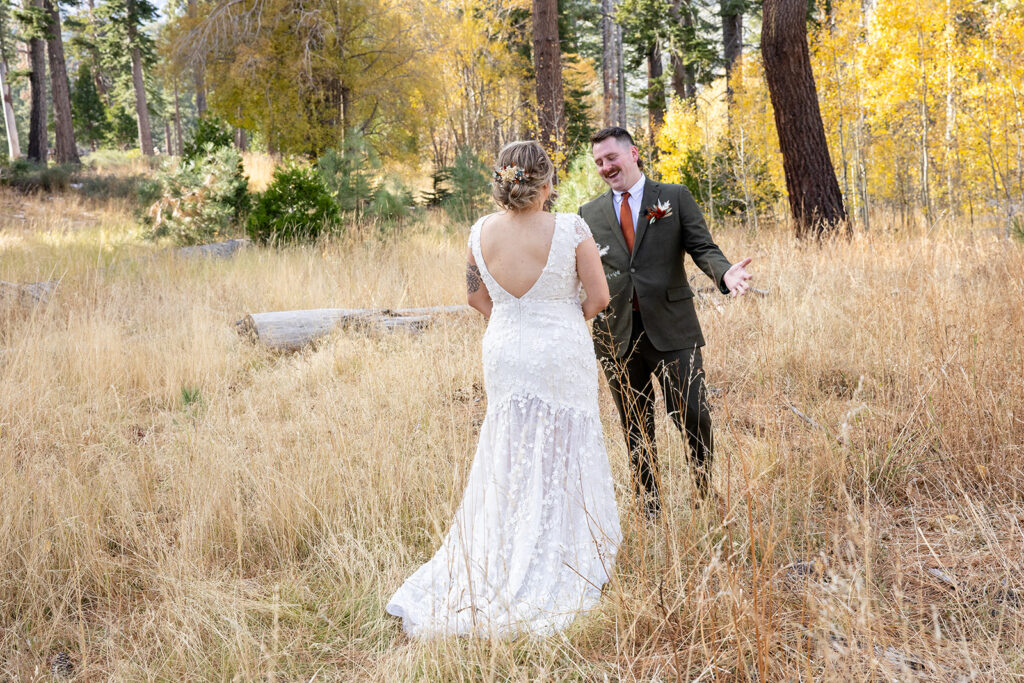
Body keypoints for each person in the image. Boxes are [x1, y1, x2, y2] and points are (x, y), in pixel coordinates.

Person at [386, 141, 621, 638]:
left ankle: (500, 544)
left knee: (508, 445)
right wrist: (556, 324)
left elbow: (474, 295)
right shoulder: (570, 229)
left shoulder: (480, 231)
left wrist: (513, 322)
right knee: (561, 445)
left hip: (506, 350)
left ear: (505, 180)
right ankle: (558, 549)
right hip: (559, 350)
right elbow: (599, 296)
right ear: (546, 182)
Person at [579, 127, 754, 520]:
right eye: (599, 163)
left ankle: (704, 493)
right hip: (615, 333)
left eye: (611, 158)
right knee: (635, 423)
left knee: (693, 412)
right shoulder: (588, 214)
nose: (606, 167)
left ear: (634, 153)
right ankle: (650, 507)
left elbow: (702, 247)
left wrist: (724, 275)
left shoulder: (673, 197)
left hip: (672, 328)